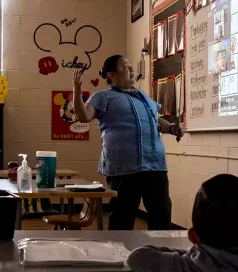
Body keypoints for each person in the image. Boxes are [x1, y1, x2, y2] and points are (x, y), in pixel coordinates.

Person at [73, 56, 183, 230]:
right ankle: (118, 255)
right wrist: (77, 93)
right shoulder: (103, 97)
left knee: (161, 214)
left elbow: (156, 120)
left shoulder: (144, 98)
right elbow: (83, 116)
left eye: (131, 66)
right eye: (126, 67)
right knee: (123, 217)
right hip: (125, 169)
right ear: (112, 75)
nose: (132, 70)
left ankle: (160, 253)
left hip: (155, 166)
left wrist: (171, 128)